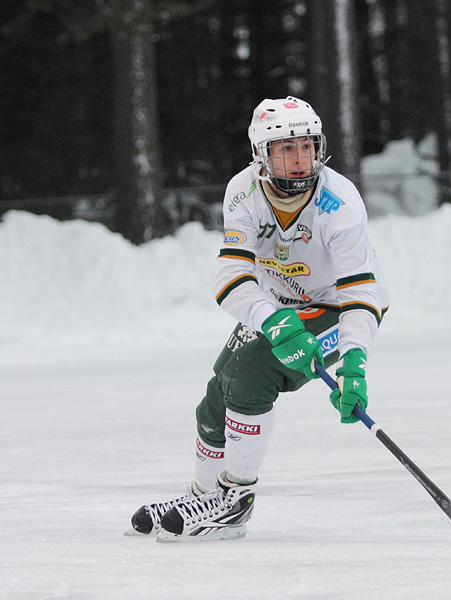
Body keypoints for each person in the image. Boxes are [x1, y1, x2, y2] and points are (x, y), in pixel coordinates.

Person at [130, 96, 390, 540]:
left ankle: (236, 500)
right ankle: (205, 492)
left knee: (251, 373)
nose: (298, 159)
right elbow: (232, 274)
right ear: (260, 154)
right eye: (285, 149)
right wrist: (271, 319)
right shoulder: (244, 192)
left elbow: (360, 291)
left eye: (306, 146)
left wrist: (354, 365)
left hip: (334, 307)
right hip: (278, 305)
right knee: (220, 387)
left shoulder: (340, 202)